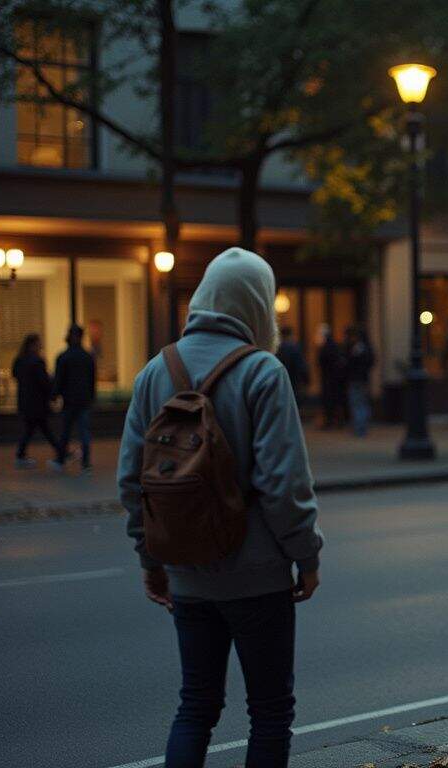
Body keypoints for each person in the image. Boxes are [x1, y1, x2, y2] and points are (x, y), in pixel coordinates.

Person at [118, 247, 324, 768]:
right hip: (258, 576)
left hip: (187, 573)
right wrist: (306, 556)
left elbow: (132, 482)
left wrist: (151, 560)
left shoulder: (154, 373)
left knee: (196, 707)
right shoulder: (263, 372)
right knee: (270, 712)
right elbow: (283, 484)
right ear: (257, 303)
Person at [11, 333, 61, 469]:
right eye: (39, 343)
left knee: (35, 429)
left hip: (25, 401)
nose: (41, 345)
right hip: (38, 402)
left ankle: (60, 451)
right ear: (33, 345)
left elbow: (15, 375)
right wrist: (53, 393)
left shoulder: (19, 360)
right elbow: (44, 382)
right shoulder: (37, 361)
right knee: (41, 429)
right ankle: (61, 452)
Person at [53, 325, 96, 472]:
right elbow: (92, 380)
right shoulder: (87, 357)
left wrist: (54, 395)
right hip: (84, 399)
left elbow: (59, 379)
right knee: (84, 432)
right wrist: (92, 397)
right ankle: (86, 463)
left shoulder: (64, 357)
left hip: (69, 400)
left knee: (65, 431)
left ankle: (60, 460)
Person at [344, 324, 375, 437]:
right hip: (362, 379)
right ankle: (361, 426)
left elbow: (350, 362)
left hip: (356, 379)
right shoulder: (365, 347)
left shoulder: (357, 348)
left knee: (357, 403)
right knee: (361, 403)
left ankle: (360, 427)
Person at [315, 324, 344, 429]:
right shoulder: (332, 346)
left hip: (330, 379)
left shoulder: (327, 347)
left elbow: (323, 361)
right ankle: (333, 420)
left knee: (330, 400)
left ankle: (330, 421)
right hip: (332, 379)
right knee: (332, 400)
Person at [275, 326, 310, 404]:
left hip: (282, 383)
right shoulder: (295, 347)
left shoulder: (277, 349)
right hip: (295, 382)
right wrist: (306, 380)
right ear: (290, 334)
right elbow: (301, 365)